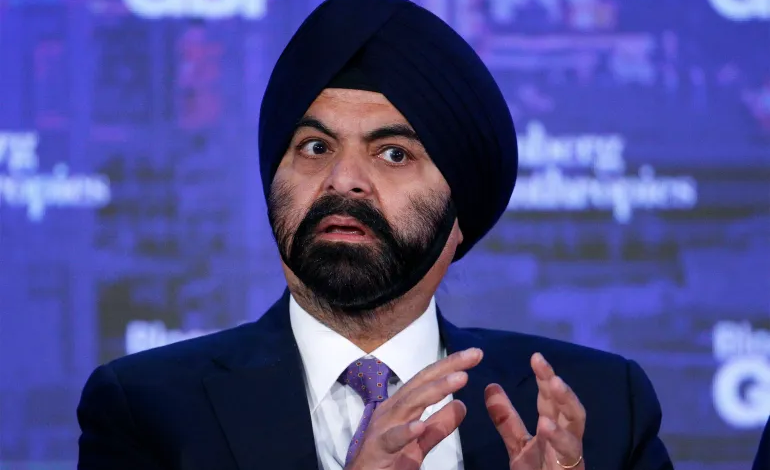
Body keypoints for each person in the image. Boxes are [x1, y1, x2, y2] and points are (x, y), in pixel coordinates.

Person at [76, 0, 674, 469]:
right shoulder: (147, 410)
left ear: (459, 213)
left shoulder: (602, 408)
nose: (344, 181)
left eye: (393, 154)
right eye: (315, 147)